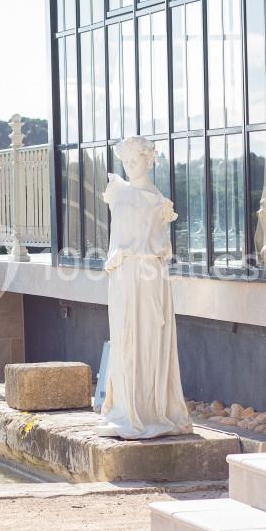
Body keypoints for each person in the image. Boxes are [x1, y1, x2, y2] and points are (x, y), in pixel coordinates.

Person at [94, 136, 193, 440]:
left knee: (149, 335)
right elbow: (118, 241)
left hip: (149, 275)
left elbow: (158, 243)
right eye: (126, 161)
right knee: (126, 336)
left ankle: (151, 408)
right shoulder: (119, 192)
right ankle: (127, 407)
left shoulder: (157, 199)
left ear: (149, 160)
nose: (130, 166)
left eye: (136, 159)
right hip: (124, 275)